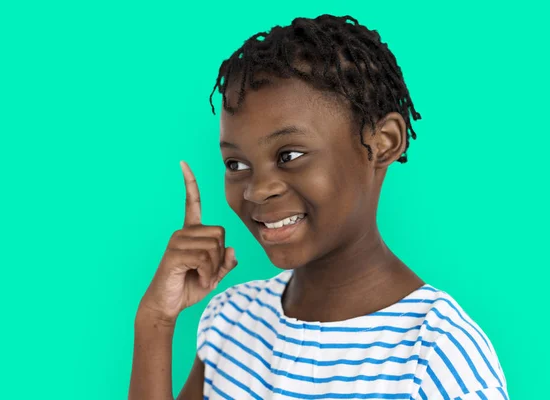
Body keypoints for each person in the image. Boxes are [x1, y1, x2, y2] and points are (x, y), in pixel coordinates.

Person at [128, 14, 509, 400]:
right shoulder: (232, 320)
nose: (258, 191)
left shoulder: (436, 356)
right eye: (236, 165)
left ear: (383, 143)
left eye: (290, 154)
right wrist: (155, 320)